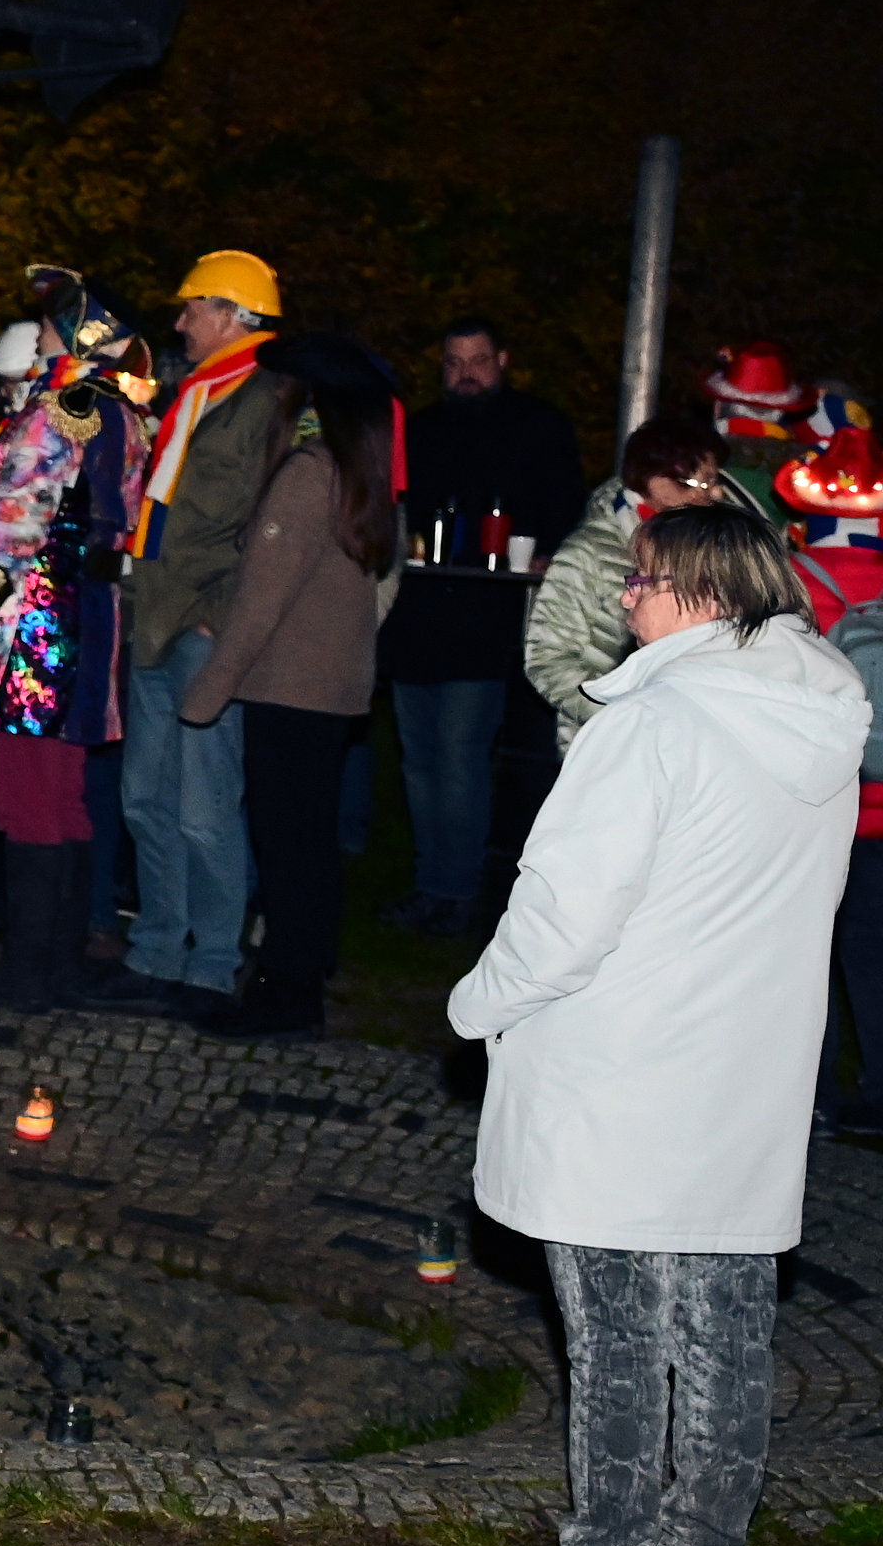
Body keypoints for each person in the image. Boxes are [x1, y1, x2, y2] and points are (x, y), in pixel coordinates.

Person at [451, 500, 868, 1546]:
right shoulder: (819, 721)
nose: (622, 597)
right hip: (746, 1069)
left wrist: (477, 1001)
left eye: (637, 580)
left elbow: (566, 910)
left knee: (618, 1332)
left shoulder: (655, 723)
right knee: (728, 1329)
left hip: (621, 1066)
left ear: (696, 591)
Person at [0, 279, 154, 1011]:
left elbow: (10, 529)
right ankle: (58, 961)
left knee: (23, 791)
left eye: (52, 328)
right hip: (90, 614)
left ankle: (27, 968)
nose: (41, 337)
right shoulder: (124, 411)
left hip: (30, 620)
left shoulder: (58, 410)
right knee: (65, 795)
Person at [103, 247, 306, 1010]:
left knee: (204, 808)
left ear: (232, 315)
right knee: (144, 801)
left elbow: (275, 521)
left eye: (193, 308)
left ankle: (214, 963)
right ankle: (157, 951)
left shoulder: (273, 397)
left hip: (204, 624)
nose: (181, 321)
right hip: (156, 614)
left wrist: (229, 620)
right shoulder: (198, 391)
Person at [178, 352, 400, 1036]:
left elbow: (259, 602)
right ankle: (299, 979)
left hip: (290, 690)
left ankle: (285, 998)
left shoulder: (307, 476)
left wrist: (206, 694)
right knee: (308, 844)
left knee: (286, 848)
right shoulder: (360, 480)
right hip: (330, 692)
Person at [380, 317, 587, 935]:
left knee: (460, 756)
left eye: (476, 360)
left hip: (485, 622)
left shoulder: (539, 427)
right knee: (419, 761)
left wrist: (549, 553)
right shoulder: (421, 429)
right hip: (415, 619)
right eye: (452, 362)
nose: (464, 373)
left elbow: (564, 514)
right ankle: (431, 883)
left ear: (502, 359)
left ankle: (457, 889)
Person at [775, 429, 883, 1132]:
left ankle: (806, 1094)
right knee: (875, 954)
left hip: (818, 804)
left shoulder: (794, 584)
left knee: (804, 955)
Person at [527, 414, 739, 735]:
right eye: (703, 482)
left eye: (715, 481)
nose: (715, 494)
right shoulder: (591, 551)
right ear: (657, 481)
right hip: (607, 744)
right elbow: (547, 657)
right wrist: (622, 716)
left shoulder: (708, 548)